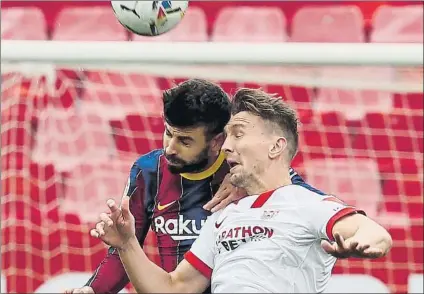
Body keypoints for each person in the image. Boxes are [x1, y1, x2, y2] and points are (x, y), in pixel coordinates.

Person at [90, 88, 393, 293]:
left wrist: (365, 243)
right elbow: (174, 288)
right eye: (226, 136)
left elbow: (370, 231)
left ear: (276, 146)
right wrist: (128, 243)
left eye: (238, 133)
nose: (228, 146)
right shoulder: (223, 217)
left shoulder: (307, 203)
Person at [65, 80, 309, 294]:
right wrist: (93, 290)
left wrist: (248, 185)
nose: (170, 147)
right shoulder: (149, 171)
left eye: (185, 141)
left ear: (217, 142)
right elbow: (127, 245)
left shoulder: (246, 169)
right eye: (169, 133)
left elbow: (305, 197)